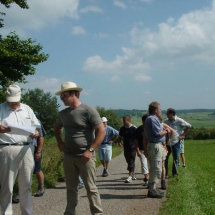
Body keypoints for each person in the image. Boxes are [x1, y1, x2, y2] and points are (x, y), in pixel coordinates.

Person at [54, 81, 106, 215]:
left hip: (85, 156)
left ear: (73, 94)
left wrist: (90, 150)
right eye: (61, 96)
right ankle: (70, 212)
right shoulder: (63, 114)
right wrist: (60, 141)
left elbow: (101, 131)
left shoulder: (88, 110)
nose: (62, 99)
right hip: (68, 156)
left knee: (90, 187)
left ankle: (97, 213)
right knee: (71, 188)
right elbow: (57, 127)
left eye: (64, 95)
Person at [0, 84, 40, 215]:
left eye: (15, 100)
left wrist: (35, 132)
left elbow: (37, 127)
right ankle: (6, 212)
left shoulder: (27, 109)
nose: (13, 103)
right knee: (7, 186)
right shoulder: (1, 108)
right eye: (10, 101)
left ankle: (27, 212)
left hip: (27, 148)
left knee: (26, 185)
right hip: (7, 149)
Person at [13, 120, 47, 203]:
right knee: (20, 171)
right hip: (19, 148)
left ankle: (41, 187)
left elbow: (41, 137)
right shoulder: (15, 121)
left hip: (34, 148)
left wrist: (38, 151)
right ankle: (20, 193)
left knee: (37, 169)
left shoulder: (35, 121)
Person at [143, 101, 169, 198]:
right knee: (156, 168)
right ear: (155, 110)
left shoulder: (152, 119)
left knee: (157, 167)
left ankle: (153, 188)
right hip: (155, 146)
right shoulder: (152, 119)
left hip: (157, 145)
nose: (161, 111)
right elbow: (158, 133)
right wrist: (166, 131)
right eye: (160, 109)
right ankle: (151, 190)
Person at [164, 108, 192, 176]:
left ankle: (174, 173)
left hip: (176, 141)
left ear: (171, 114)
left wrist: (183, 135)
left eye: (167, 113)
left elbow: (189, 126)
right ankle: (165, 173)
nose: (166, 115)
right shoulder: (166, 121)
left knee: (175, 158)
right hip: (168, 142)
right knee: (165, 157)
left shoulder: (179, 120)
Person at [119, 115, 137, 183]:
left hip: (133, 147)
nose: (123, 122)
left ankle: (129, 177)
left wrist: (136, 145)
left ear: (128, 120)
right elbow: (120, 136)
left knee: (131, 160)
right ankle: (133, 172)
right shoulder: (122, 128)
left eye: (124, 121)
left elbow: (137, 138)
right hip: (126, 147)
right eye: (123, 121)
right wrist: (120, 142)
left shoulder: (134, 128)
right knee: (128, 160)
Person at [134, 114, 149, 186]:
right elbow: (136, 141)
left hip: (150, 150)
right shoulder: (138, 130)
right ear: (143, 121)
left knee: (150, 165)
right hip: (142, 150)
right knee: (144, 164)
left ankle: (149, 178)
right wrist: (137, 150)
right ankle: (147, 178)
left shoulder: (151, 129)